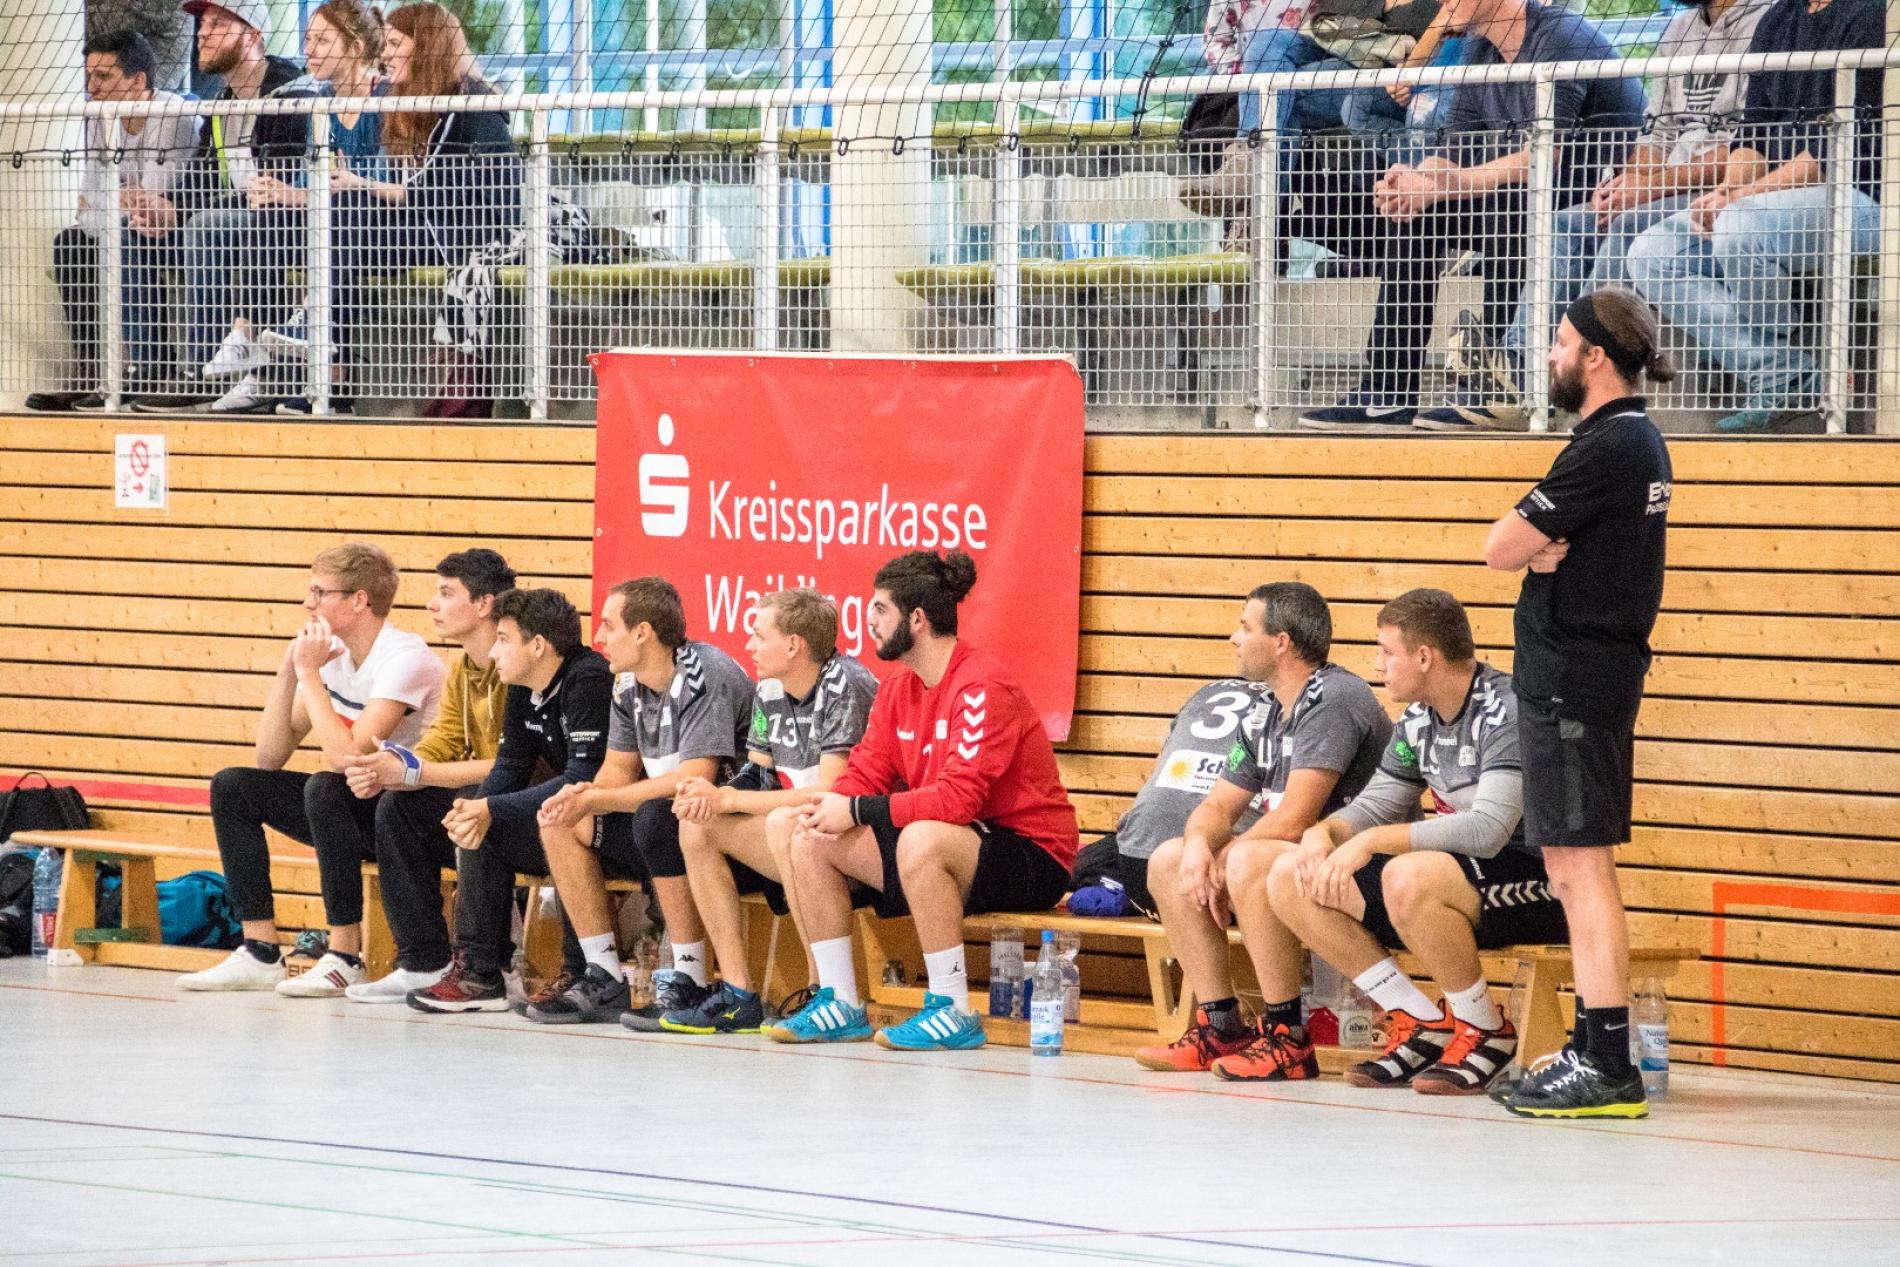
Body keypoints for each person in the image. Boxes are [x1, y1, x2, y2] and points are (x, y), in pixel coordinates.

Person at [1481, 286, 1674, 1119]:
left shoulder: (1612, 443)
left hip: (1577, 679)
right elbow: (1530, 547)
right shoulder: (1623, 440)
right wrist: (1541, 551)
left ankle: (1608, 1061)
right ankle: (1595, 1047)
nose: (1551, 354)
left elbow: (1499, 546)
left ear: (1596, 355)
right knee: (1566, 864)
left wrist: (1533, 550)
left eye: (1561, 342)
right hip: (1576, 675)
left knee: (1583, 866)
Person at [770, 551, 1079, 1051]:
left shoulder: (981, 685)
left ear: (916, 619)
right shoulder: (898, 688)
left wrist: (855, 810)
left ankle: (952, 1009)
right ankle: (840, 1002)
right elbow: (866, 771)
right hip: (954, 839)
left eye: (880, 609)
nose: (869, 621)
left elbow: (958, 801)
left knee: (921, 838)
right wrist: (831, 807)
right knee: (809, 836)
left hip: (1032, 855)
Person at [1294, 0, 1642, 432]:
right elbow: (1454, 151)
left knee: (1507, 205)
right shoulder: (1481, 50)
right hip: (1528, 196)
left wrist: (1445, 184)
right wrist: (1416, 181)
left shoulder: (1559, 38)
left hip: (1594, 201)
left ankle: (1498, 385)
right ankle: (1387, 392)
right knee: (1417, 213)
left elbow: (1541, 158)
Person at [1266, 588, 1560, 1095]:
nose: (1377, 664)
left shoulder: (1506, 709)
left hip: (1540, 881)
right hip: (1454, 878)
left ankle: (1485, 1029)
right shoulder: (1418, 719)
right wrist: (1325, 833)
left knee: (1407, 871)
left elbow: (1488, 831)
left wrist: (1372, 842)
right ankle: (1422, 1020)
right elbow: (1376, 803)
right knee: (1291, 875)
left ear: (1424, 657)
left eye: (1386, 651)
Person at [1436, 0, 1768, 430]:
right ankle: (1519, 370)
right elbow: (1657, 135)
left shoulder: (1764, 22)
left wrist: (1648, 188)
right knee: (1567, 223)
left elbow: (1751, 146)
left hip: (1725, 191)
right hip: (1665, 189)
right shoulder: (1681, 28)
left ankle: (1583, 371)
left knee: (1622, 222)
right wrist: (1628, 184)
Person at [1132, 582, 1390, 1079]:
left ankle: (1287, 1037)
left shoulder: (1334, 697)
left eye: (1245, 627)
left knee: (1245, 859)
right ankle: (1220, 1027)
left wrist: (1224, 857)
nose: (1234, 638)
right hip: (1299, 864)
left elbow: (1296, 818)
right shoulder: (1265, 710)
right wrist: (1197, 847)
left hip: (1362, 865)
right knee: (1168, 860)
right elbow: (1217, 805)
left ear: (1281, 642)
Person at [179, 543, 445, 993]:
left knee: (326, 786)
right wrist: (290, 671)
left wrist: (309, 676)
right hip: (353, 806)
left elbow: (347, 758)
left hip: (408, 818)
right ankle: (260, 950)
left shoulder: (404, 658)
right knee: (234, 786)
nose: (308, 603)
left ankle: (344, 955)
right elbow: (269, 758)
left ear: (359, 600)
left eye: (320, 592)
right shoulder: (333, 657)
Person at [1625, 0, 1883, 433]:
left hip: (1862, 201)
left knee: (1738, 225)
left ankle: (1783, 360)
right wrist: (1727, 191)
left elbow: (1830, 156)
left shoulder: (1870, 14)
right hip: (1773, 203)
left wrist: (1739, 198)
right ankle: (1785, 371)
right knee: (1653, 252)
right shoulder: (1778, 20)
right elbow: (1751, 139)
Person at [268, 1, 522, 419]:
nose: (384, 54)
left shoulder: (469, 104)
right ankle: (328, 375)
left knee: (349, 206)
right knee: (338, 217)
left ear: (426, 48)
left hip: (472, 232)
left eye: (394, 44)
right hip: (431, 224)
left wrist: (361, 183)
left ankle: (322, 344)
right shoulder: (412, 103)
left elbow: (435, 192)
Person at [527, 577, 756, 1026]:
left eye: (608, 625)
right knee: (560, 819)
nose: (598, 637)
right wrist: (585, 796)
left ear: (642, 633)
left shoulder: (703, 673)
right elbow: (617, 769)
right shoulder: (626, 683)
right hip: (671, 823)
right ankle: (603, 975)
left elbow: (694, 778)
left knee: (657, 817)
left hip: (726, 828)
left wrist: (602, 797)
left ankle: (687, 980)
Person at [657, 588, 879, 1034]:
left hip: (860, 838)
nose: (750, 646)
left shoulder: (845, 684)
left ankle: (824, 990)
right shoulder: (770, 687)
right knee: (698, 826)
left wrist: (731, 801)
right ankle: (738, 993)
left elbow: (829, 792)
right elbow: (756, 777)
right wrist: (711, 795)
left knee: (784, 823)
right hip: (803, 832)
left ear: (794, 645)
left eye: (760, 636)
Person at [407, 588, 615, 1013]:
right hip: (567, 816)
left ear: (537, 645)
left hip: (612, 823)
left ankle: (581, 972)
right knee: (483, 826)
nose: (494, 651)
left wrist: (489, 808)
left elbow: (583, 777)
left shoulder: (588, 679)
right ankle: (480, 973)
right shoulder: (524, 685)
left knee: (557, 820)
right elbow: (510, 766)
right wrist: (476, 810)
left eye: (503, 639)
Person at [336, 549, 515, 1002]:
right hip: (479, 800)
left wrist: (417, 771)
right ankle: (423, 962)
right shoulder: (463, 669)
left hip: (522, 806)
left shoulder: (518, 668)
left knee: (470, 800)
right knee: (398, 804)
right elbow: (442, 740)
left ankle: (485, 967)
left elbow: (514, 766)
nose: (432, 604)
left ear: (484, 604)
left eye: (447, 593)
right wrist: (394, 770)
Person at [130, 0, 314, 415]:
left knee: (207, 226)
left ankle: (201, 370)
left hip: (292, 218)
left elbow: (280, 181)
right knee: (131, 231)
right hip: (241, 215)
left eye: (216, 24)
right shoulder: (222, 101)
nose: (202, 33)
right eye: (202, 25)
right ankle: (147, 369)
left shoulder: (289, 90)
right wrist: (167, 208)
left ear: (252, 36)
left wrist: (187, 213)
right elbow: (202, 179)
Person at [27, 32, 198, 413]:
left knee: (124, 235)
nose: (92, 87)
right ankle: (91, 368)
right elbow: (85, 206)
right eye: (89, 76)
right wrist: (118, 199)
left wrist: (114, 198)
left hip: (176, 228)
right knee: (70, 243)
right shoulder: (99, 117)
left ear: (138, 81)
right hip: (126, 226)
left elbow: (154, 198)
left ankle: (150, 367)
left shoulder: (172, 116)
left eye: (103, 76)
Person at [243, 0, 390, 415]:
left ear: (355, 47)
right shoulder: (321, 99)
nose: (309, 50)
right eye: (308, 40)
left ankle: (330, 375)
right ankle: (256, 353)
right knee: (271, 213)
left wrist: (309, 192)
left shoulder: (386, 95)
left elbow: (377, 177)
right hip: (334, 215)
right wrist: (278, 192)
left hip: (386, 220)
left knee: (345, 208)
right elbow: (315, 177)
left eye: (322, 41)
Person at [1073, 670, 1268, 920]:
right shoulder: (1291, 705)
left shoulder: (1207, 692)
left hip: (1140, 871)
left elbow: (1158, 771)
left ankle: (1114, 884)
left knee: (1097, 856)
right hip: (1214, 881)